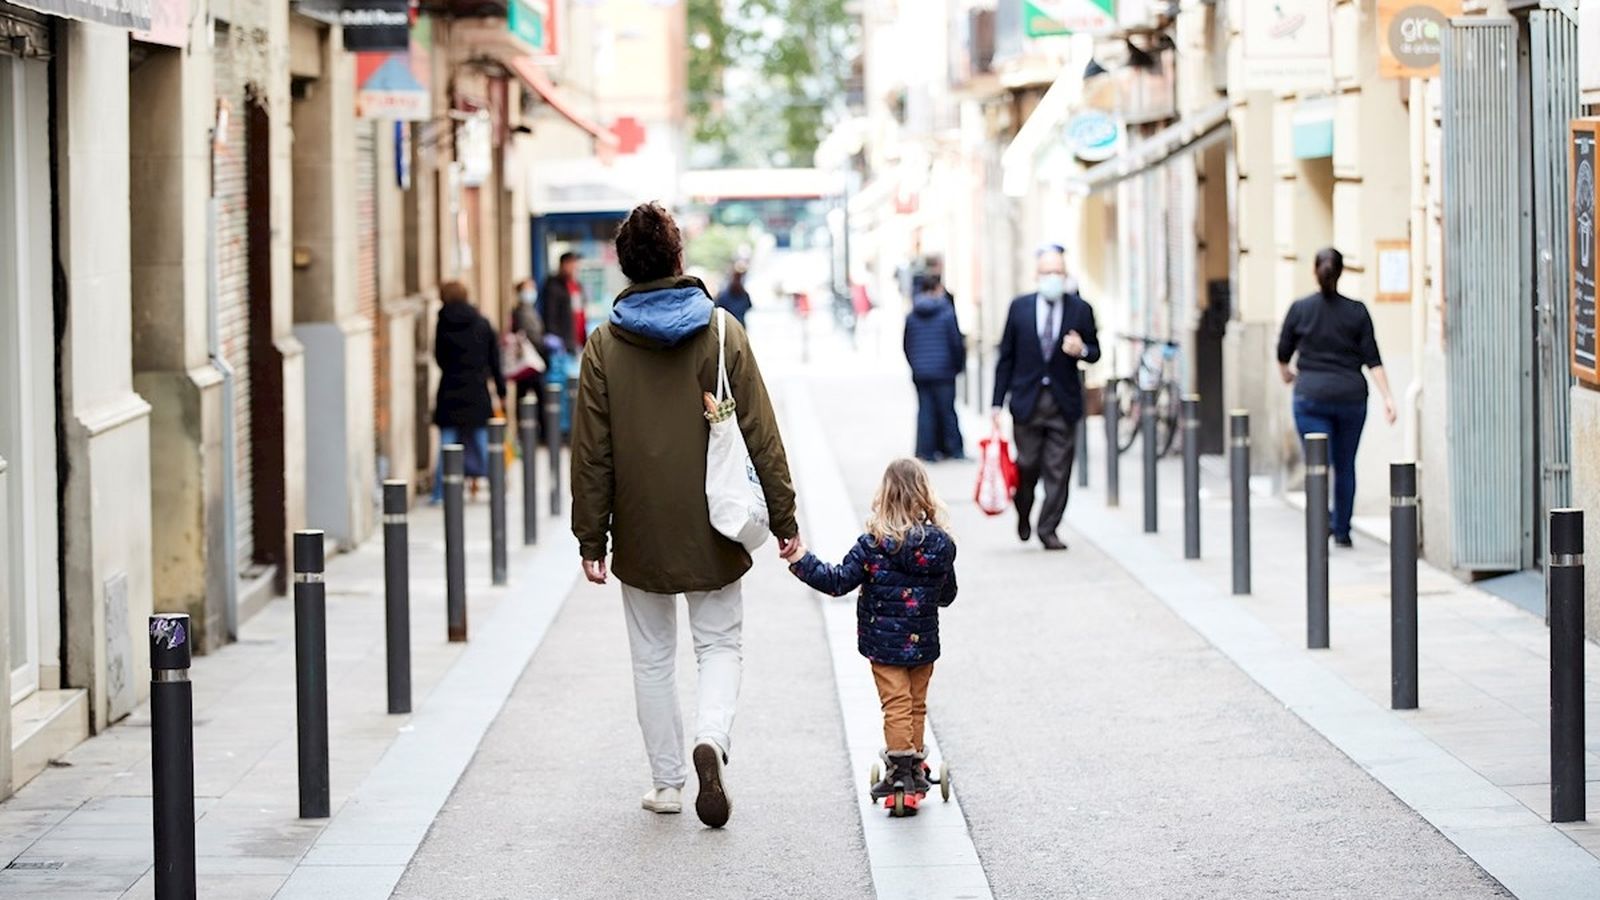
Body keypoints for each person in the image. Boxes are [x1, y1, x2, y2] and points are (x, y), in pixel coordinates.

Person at [570, 202, 800, 828]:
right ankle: (712, 740)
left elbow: (591, 453)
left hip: (640, 527)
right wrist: (784, 518)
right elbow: (760, 431)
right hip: (715, 522)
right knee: (719, 643)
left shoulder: (602, 346)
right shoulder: (722, 330)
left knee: (651, 658)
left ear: (624, 267)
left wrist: (591, 535)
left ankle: (668, 783)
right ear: (678, 258)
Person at [780, 459, 957, 801]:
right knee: (916, 705)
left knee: (896, 706)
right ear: (925, 496)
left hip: (884, 647)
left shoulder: (873, 545)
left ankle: (901, 773)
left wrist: (799, 557)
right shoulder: (941, 547)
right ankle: (916, 767)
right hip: (923, 645)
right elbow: (947, 596)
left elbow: (836, 581)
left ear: (884, 497)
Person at [1276, 247, 1397, 548]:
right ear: (1342, 272)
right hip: (1350, 399)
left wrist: (1287, 375)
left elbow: (1282, 352)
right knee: (1345, 465)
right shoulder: (1357, 311)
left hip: (1310, 398)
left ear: (1315, 271)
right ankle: (1341, 530)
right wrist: (1388, 397)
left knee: (1317, 464)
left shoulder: (1300, 309)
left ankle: (1320, 525)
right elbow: (1373, 359)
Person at [991, 245, 1100, 551]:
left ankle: (1048, 528)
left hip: (1063, 403)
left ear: (1065, 275)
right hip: (1027, 402)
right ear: (1037, 276)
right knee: (1027, 465)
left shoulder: (1080, 309)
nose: (1053, 277)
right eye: (1047, 272)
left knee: (1059, 469)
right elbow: (1006, 357)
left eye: (1058, 272)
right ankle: (1023, 510)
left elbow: (1095, 351)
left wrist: (1083, 350)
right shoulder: (1019, 308)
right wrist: (996, 403)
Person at [431, 280, 506, 503]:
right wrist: (501, 390)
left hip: (450, 389)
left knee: (447, 443)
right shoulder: (481, 323)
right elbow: (494, 361)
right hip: (476, 389)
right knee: (485, 443)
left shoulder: (442, 324)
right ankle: (497, 486)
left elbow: (439, 358)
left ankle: (439, 493)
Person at [903, 273, 966, 461]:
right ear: (938, 288)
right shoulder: (947, 312)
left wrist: (916, 365)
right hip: (944, 371)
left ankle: (926, 451)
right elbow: (956, 343)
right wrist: (957, 366)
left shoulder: (912, 314)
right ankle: (953, 449)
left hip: (921, 372)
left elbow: (907, 344)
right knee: (947, 411)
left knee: (925, 412)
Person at [507, 277, 545, 435]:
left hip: (533, 359)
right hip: (529, 360)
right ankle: (530, 433)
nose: (532, 292)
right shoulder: (521, 311)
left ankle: (534, 431)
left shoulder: (530, 309)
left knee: (533, 396)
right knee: (530, 395)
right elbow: (529, 334)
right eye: (529, 288)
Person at [541, 251, 583, 354]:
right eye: (572, 264)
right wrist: (555, 337)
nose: (575, 268)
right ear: (563, 264)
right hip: (562, 342)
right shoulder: (553, 285)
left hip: (576, 341)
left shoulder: (576, 286)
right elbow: (549, 314)